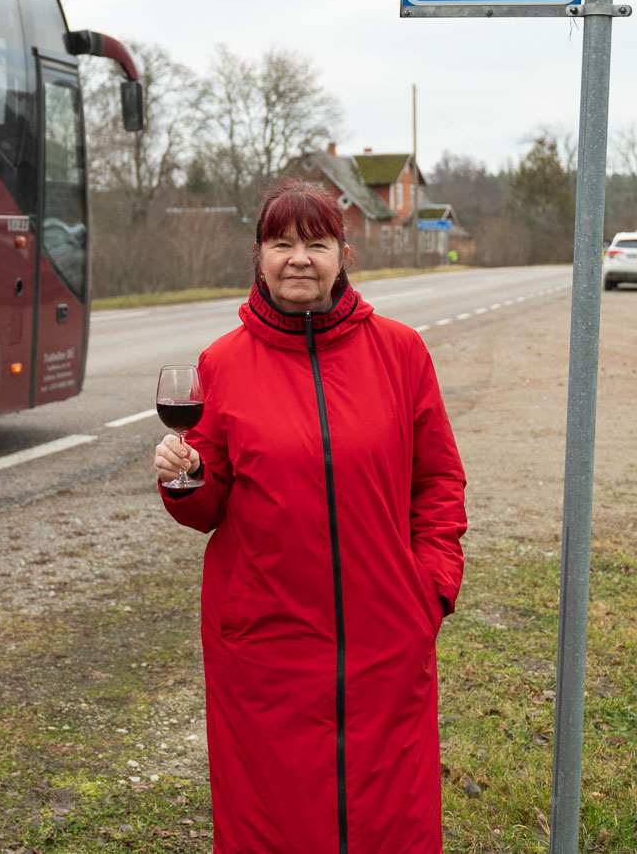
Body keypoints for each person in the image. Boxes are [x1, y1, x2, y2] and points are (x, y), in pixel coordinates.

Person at [154, 178, 467, 853]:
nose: (299, 258)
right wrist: (185, 480)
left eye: (316, 243)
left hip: (387, 637)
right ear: (259, 256)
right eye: (282, 243)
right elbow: (206, 506)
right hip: (265, 647)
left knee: (392, 817)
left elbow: (438, 479)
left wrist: (431, 589)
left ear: (343, 254)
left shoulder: (401, 352)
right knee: (272, 823)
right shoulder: (223, 363)